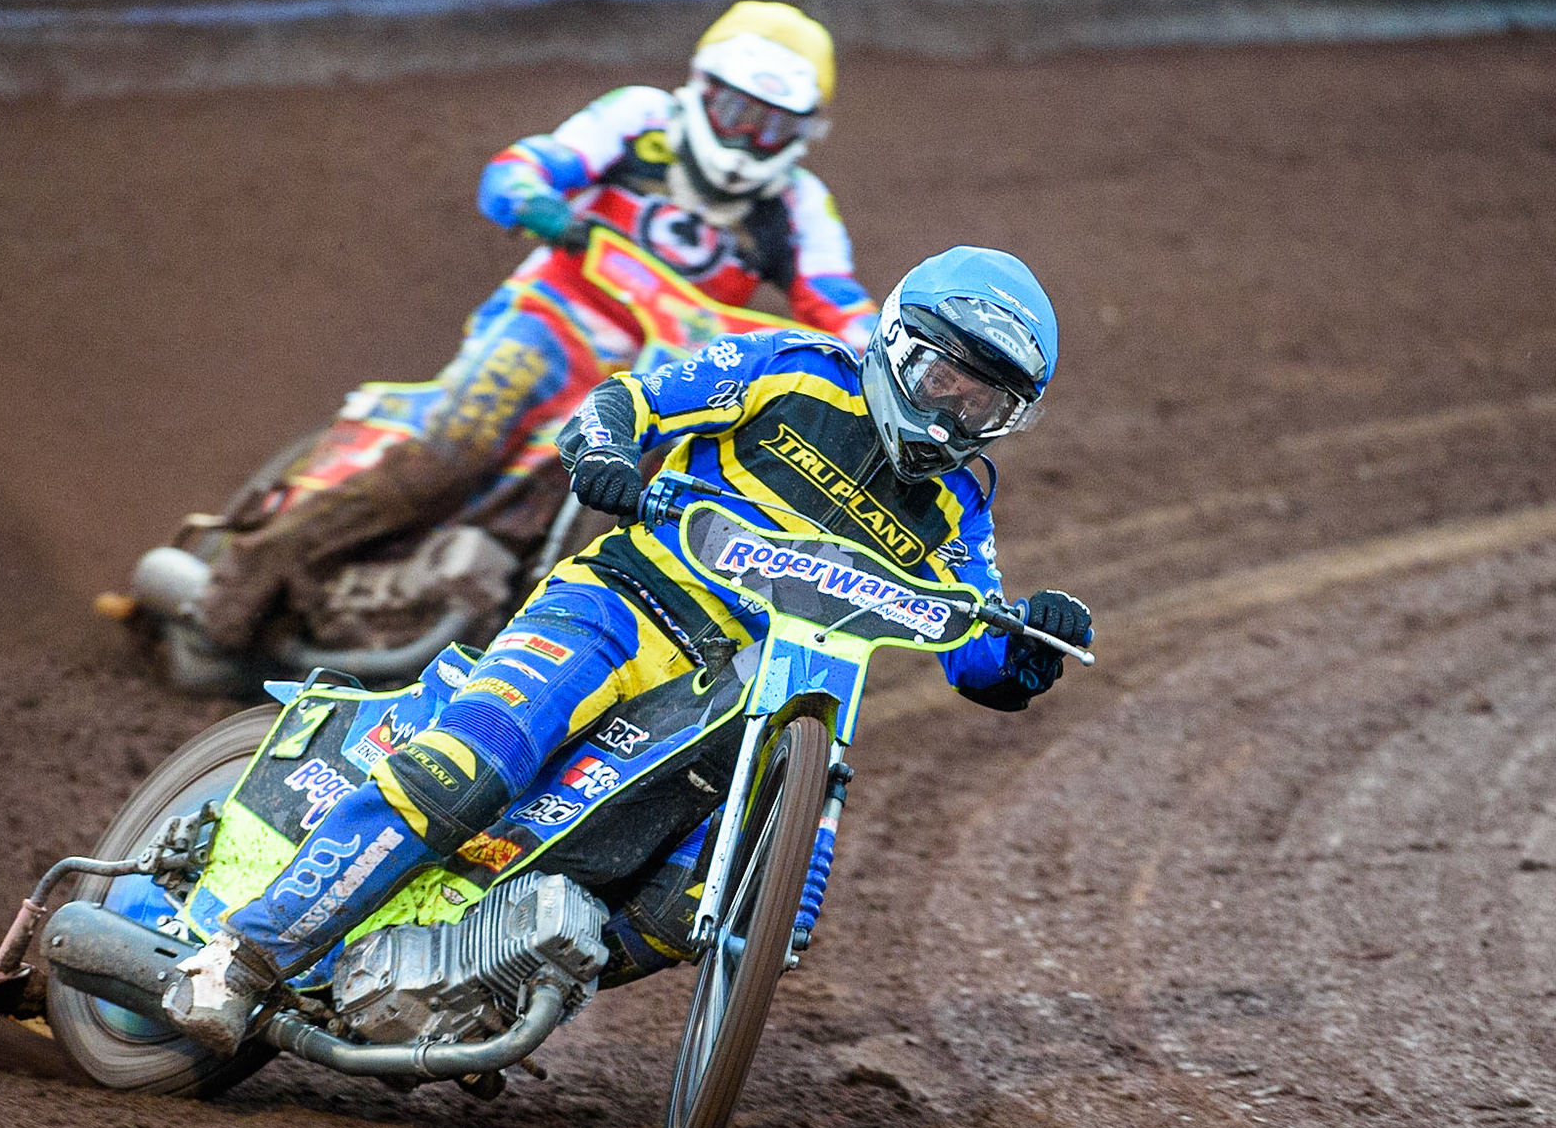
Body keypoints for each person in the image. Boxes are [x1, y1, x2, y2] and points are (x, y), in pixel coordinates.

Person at [163, 243, 1095, 1053]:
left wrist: (1032, 646)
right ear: (898, 346)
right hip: (623, 611)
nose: (953, 420)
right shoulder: (794, 369)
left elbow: (973, 643)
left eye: (986, 407)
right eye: (945, 382)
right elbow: (634, 400)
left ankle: (473, 985)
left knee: (692, 912)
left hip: (748, 708)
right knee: (466, 768)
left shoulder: (958, 506)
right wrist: (607, 448)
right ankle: (242, 955)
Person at [195, 0, 878, 657]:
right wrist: (541, 204)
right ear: (702, 89)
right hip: (552, 321)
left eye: (772, 125)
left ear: (804, 133)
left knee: (657, 487)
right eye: (736, 110)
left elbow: (835, 297)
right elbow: (522, 168)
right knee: (460, 441)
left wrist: (880, 360)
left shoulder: (799, 206)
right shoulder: (640, 118)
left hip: (657, 372)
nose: (746, 138)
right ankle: (247, 572)